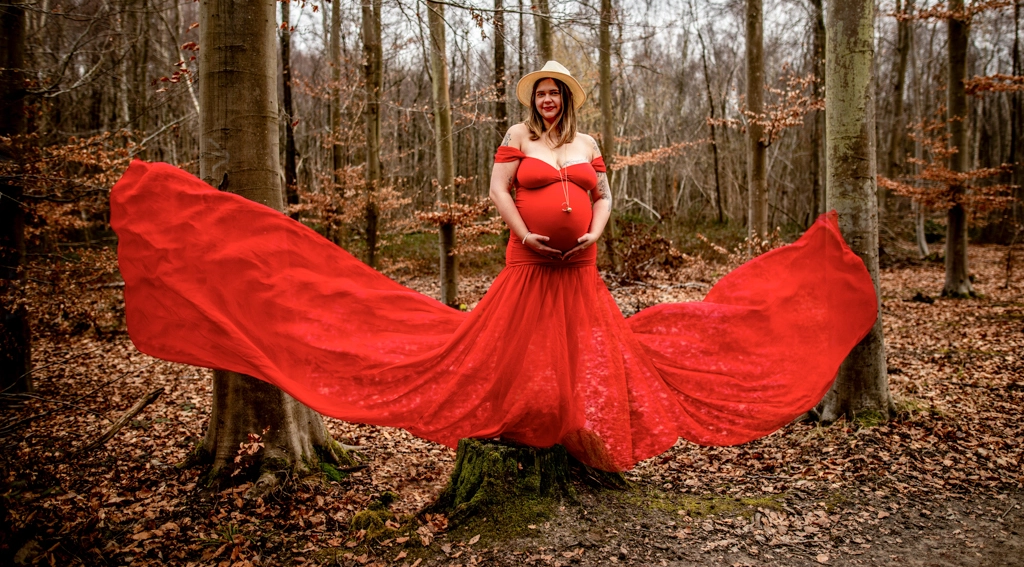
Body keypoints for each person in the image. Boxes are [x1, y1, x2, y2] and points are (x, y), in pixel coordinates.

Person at [110, 61, 878, 472]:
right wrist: (528, 233)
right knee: (504, 352)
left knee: (588, 353)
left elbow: (607, 195)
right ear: (531, 99)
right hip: (529, 264)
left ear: (567, 100)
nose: (547, 102)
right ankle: (526, 425)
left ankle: (577, 428)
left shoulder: (585, 145)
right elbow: (496, 191)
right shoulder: (516, 134)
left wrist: (593, 233)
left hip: (581, 269)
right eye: (540, 92)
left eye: (555, 93)